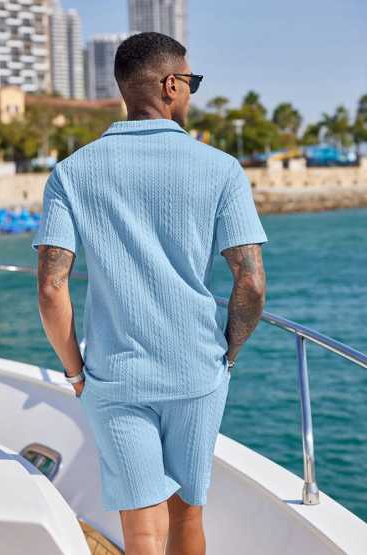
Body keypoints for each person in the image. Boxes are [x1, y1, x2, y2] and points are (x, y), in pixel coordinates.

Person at [32, 31, 268, 555]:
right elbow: (251, 281)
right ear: (170, 85)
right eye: (191, 83)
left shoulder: (71, 173)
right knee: (188, 513)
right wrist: (227, 354)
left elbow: (51, 286)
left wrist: (75, 372)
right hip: (197, 369)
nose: (191, 94)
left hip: (115, 374)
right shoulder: (221, 168)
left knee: (140, 531)